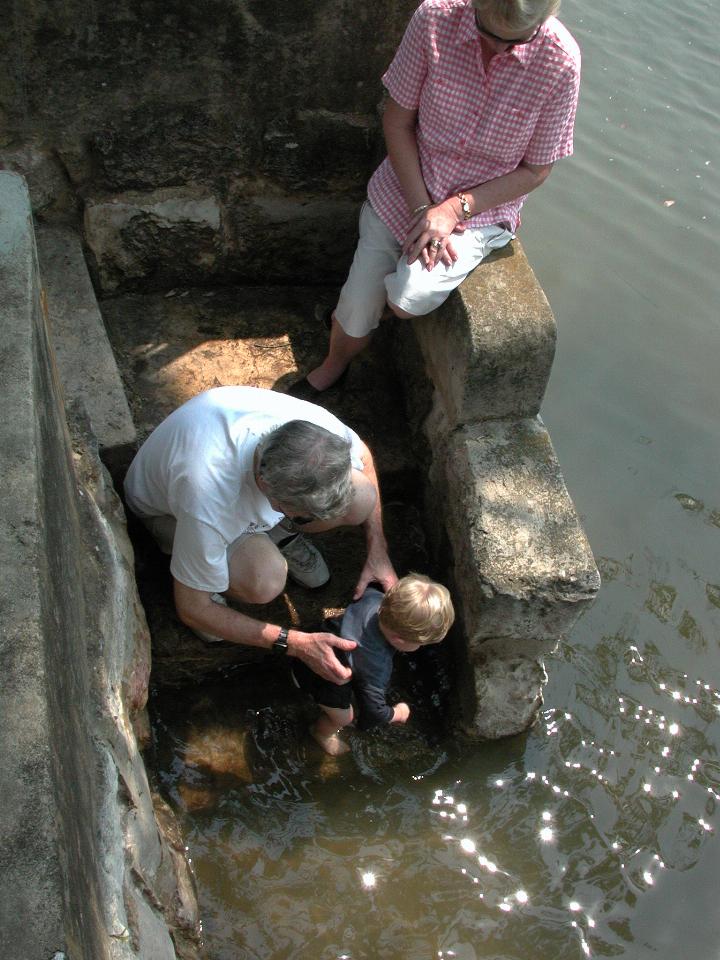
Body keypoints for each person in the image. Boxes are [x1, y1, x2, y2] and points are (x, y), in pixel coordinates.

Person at [290, 0, 580, 399]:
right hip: (405, 186)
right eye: (489, 34)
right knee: (357, 307)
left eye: (514, 42)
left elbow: (536, 171)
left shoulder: (561, 62)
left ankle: (372, 316)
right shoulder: (435, 18)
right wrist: (422, 209)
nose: (497, 50)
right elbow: (397, 120)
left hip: (478, 210)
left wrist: (451, 209)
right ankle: (335, 362)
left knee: (410, 298)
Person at [123, 386, 398, 683]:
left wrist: (378, 551)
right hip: (167, 513)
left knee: (361, 498)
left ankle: (280, 534)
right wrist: (296, 644)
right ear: (270, 493)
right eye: (305, 516)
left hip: (239, 492)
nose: (321, 523)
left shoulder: (317, 434)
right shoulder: (210, 499)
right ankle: (208, 573)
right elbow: (192, 608)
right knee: (265, 581)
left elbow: (364, 458)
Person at [291, 573, 455, 755]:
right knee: (344, 718)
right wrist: (397, 713)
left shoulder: (374, 597)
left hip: (313, 639)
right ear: (398, 639)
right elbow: (374, 712)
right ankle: (321, 733)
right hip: (316, 675)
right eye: (420, 643)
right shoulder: (377, 666)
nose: (421, 646)